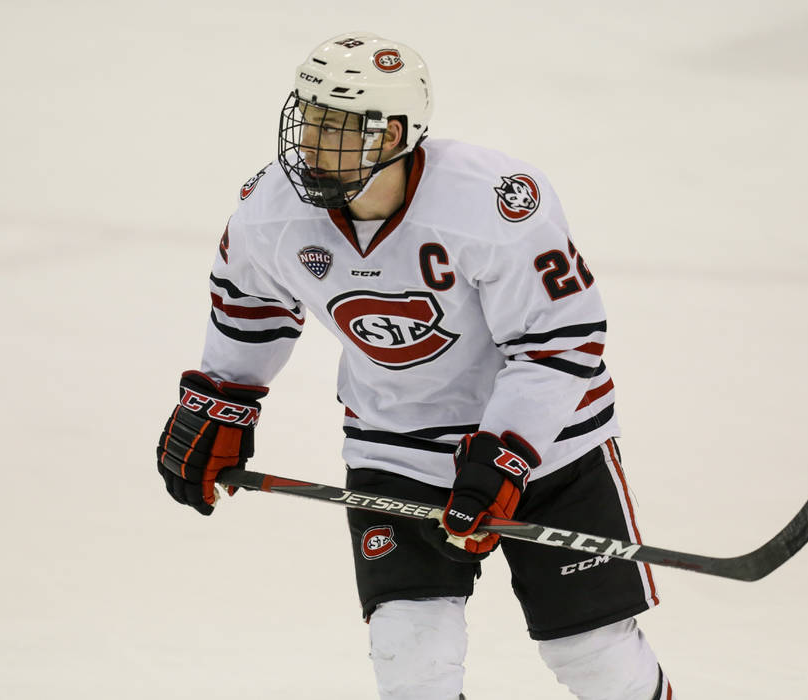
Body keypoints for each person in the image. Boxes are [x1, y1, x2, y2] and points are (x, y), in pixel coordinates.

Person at [156, 31, 672, 700]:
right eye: (308, 117)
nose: (311, 140)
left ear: (394, 132)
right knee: (410, 657)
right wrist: (219, 402)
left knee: (592, 654)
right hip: (398, 445)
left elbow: (560, 342)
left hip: (550, 452)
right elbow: (249, 305)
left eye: (337, 125)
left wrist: (505, 456)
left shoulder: (492, 202)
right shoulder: (270, 212)